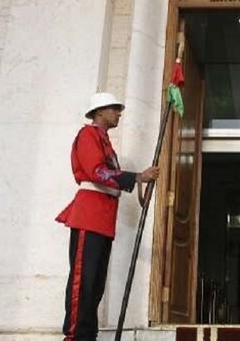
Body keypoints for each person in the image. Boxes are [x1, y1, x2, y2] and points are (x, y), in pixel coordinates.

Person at [55, 92, 160, 341]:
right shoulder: (88, 135)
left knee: (96, 284)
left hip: (103, 217)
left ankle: (88, 335)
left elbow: (109, 175)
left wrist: (138, 182)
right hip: (89, 215)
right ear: (99, 111)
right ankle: (75, 336)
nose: (118, 114)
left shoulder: (105, 142)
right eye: (114, 109)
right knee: (83, 281)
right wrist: (137, 177)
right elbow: (96, 171)